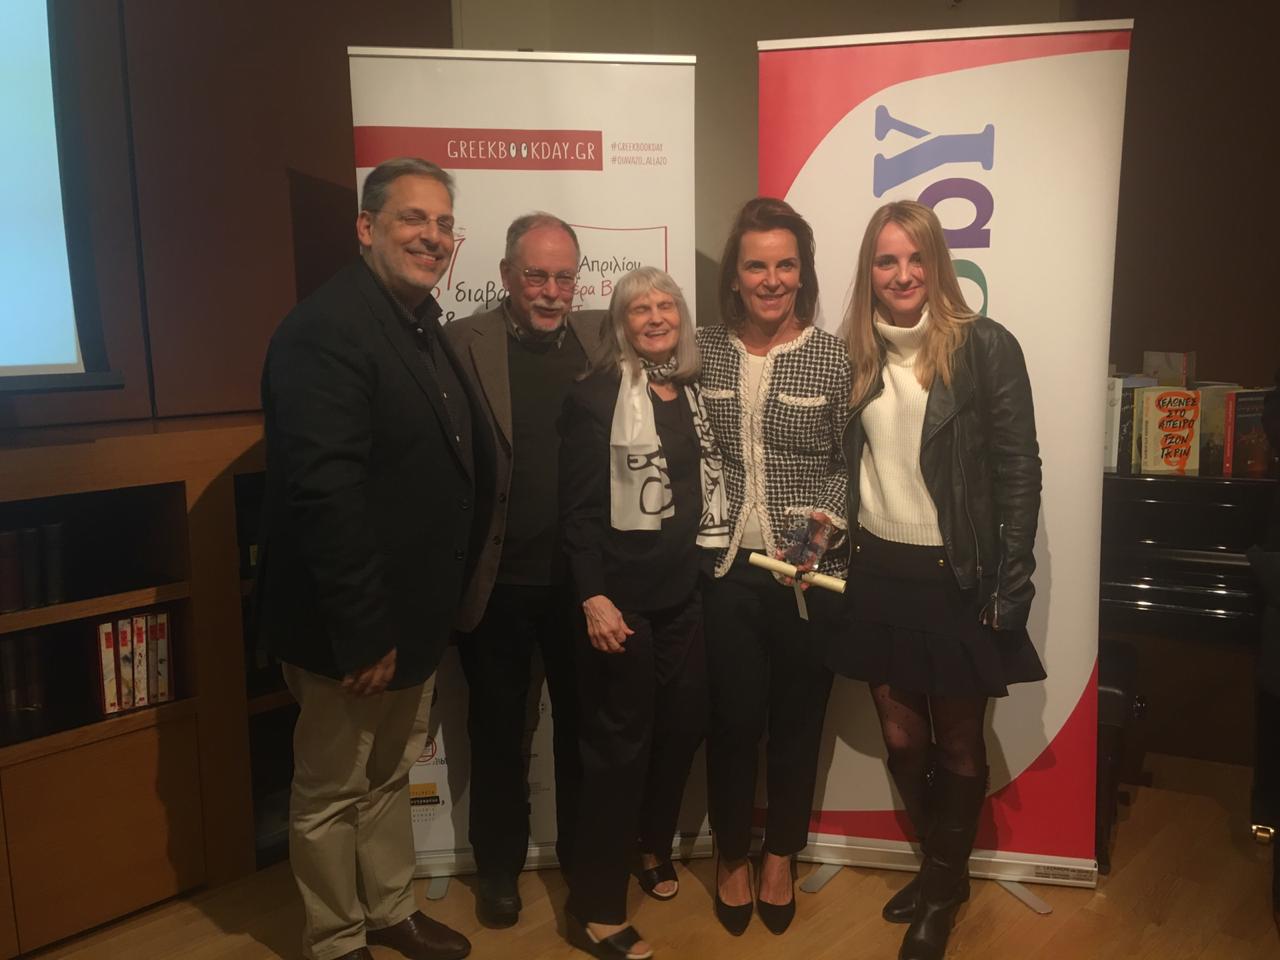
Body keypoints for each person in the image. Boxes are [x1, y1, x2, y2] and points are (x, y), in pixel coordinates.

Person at [257, 157, 485, 960]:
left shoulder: (420, 324)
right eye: (412, 218)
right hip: (349, 630)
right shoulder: (327, 330)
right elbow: (326, 495)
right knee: (331, 790)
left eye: (444, 223)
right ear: (365, 227)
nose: (433, 236)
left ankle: (388, 910)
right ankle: (335, 937)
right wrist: (363, 633)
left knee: (388, 778)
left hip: (411, 619)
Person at [830, 199, 1044, 960]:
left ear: (938, 264)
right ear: (870, 270)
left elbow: (1019, 471)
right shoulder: (855, 355)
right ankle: (941, 873)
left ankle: (940, 891)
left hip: (954, 577)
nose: (902, 274)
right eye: (886, 260)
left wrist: (1010, 587)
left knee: (956, 741)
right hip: (878, 572)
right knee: (900, 738)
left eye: (916, 257)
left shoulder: (985, 347)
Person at [443, 212, 609, 928]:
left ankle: (583, 862)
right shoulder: (461, 343)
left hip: (584, 585)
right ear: (507, 275)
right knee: (496, 734)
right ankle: (498, 869)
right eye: (535, 275)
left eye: (563, 277)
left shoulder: (605, 338)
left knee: (584, 731)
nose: (550, 291)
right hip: (498, 582)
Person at [558, 267, 729, 959]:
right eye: (639, 309)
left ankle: (650, 845)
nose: (655, 317)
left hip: (684, 593)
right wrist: (592, 595)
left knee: (684, 724)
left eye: (666, 306)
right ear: (620, 324)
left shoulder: (692, 393)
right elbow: (576, 511)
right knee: (619, 751)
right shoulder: (596, 397)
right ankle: (595, 908)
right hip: (621, 603)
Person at [697, 197, 851, 937]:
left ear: (802, 272)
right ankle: (731, 853)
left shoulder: (835, 357)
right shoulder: (701, 349)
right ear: (735, 275)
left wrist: (809, 544)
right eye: (756, 265)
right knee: (731, 721)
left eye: (785, 265)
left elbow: (850, 463)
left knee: (797, 722)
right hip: (725, 570)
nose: (771, 279)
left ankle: (781, 854)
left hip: (807, 576)